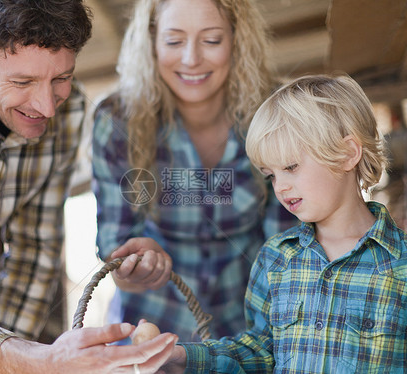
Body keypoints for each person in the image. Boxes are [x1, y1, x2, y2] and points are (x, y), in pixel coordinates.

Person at [0, 1, 177, 373]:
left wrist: (25, 357)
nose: (47, 107)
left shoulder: (70, 108)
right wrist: (35, 360)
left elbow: (35, 252)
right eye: (22, 82)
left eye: (61, 78)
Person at [160, 74, 407, 373]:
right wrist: (182, 356)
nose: (280, 187)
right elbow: (260, 350)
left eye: (291, 167)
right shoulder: (275, 258)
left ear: (347, 154)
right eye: (271, 174)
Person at [92, 0, 295, 342]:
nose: (191, 59)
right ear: (151, 43)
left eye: (211, 40)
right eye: (174, 41)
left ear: (237, 39)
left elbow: (287, 251)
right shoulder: (117, 123)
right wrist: (136, 267)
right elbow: (116, 258)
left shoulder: (277, 114)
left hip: (252, 331)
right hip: (150, 333)